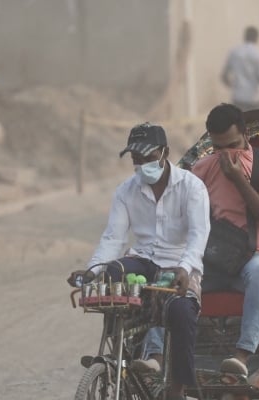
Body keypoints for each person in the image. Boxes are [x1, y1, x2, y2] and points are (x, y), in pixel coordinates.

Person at [140, 104, 259, 378]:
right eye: (218, 148)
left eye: (233, 145)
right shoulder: (204, 168)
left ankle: (242, 356)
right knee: (166, 275)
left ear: (246, 136)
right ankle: (154, 356)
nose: (226, 155)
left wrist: (238, 179)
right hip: (215, 261)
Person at [66, 123, 210, 400]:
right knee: (112, 273)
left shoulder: (192, 188)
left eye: (148, 158)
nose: (142, 165)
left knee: (182, 312)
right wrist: (93, 271)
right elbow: (113, 238)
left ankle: (177, 389)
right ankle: (116, 358)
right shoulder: (126, 190)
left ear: (165, 152)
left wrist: (186, 267)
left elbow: (198, 235)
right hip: (143, 258)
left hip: (179, 263)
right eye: (136, 160)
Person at [221, 26, 259, 111]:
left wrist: (233, 86)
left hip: (238, 98)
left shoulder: (234, 52)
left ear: (244, 36)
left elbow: (224, 76)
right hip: (255, 99)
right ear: (256, 38)